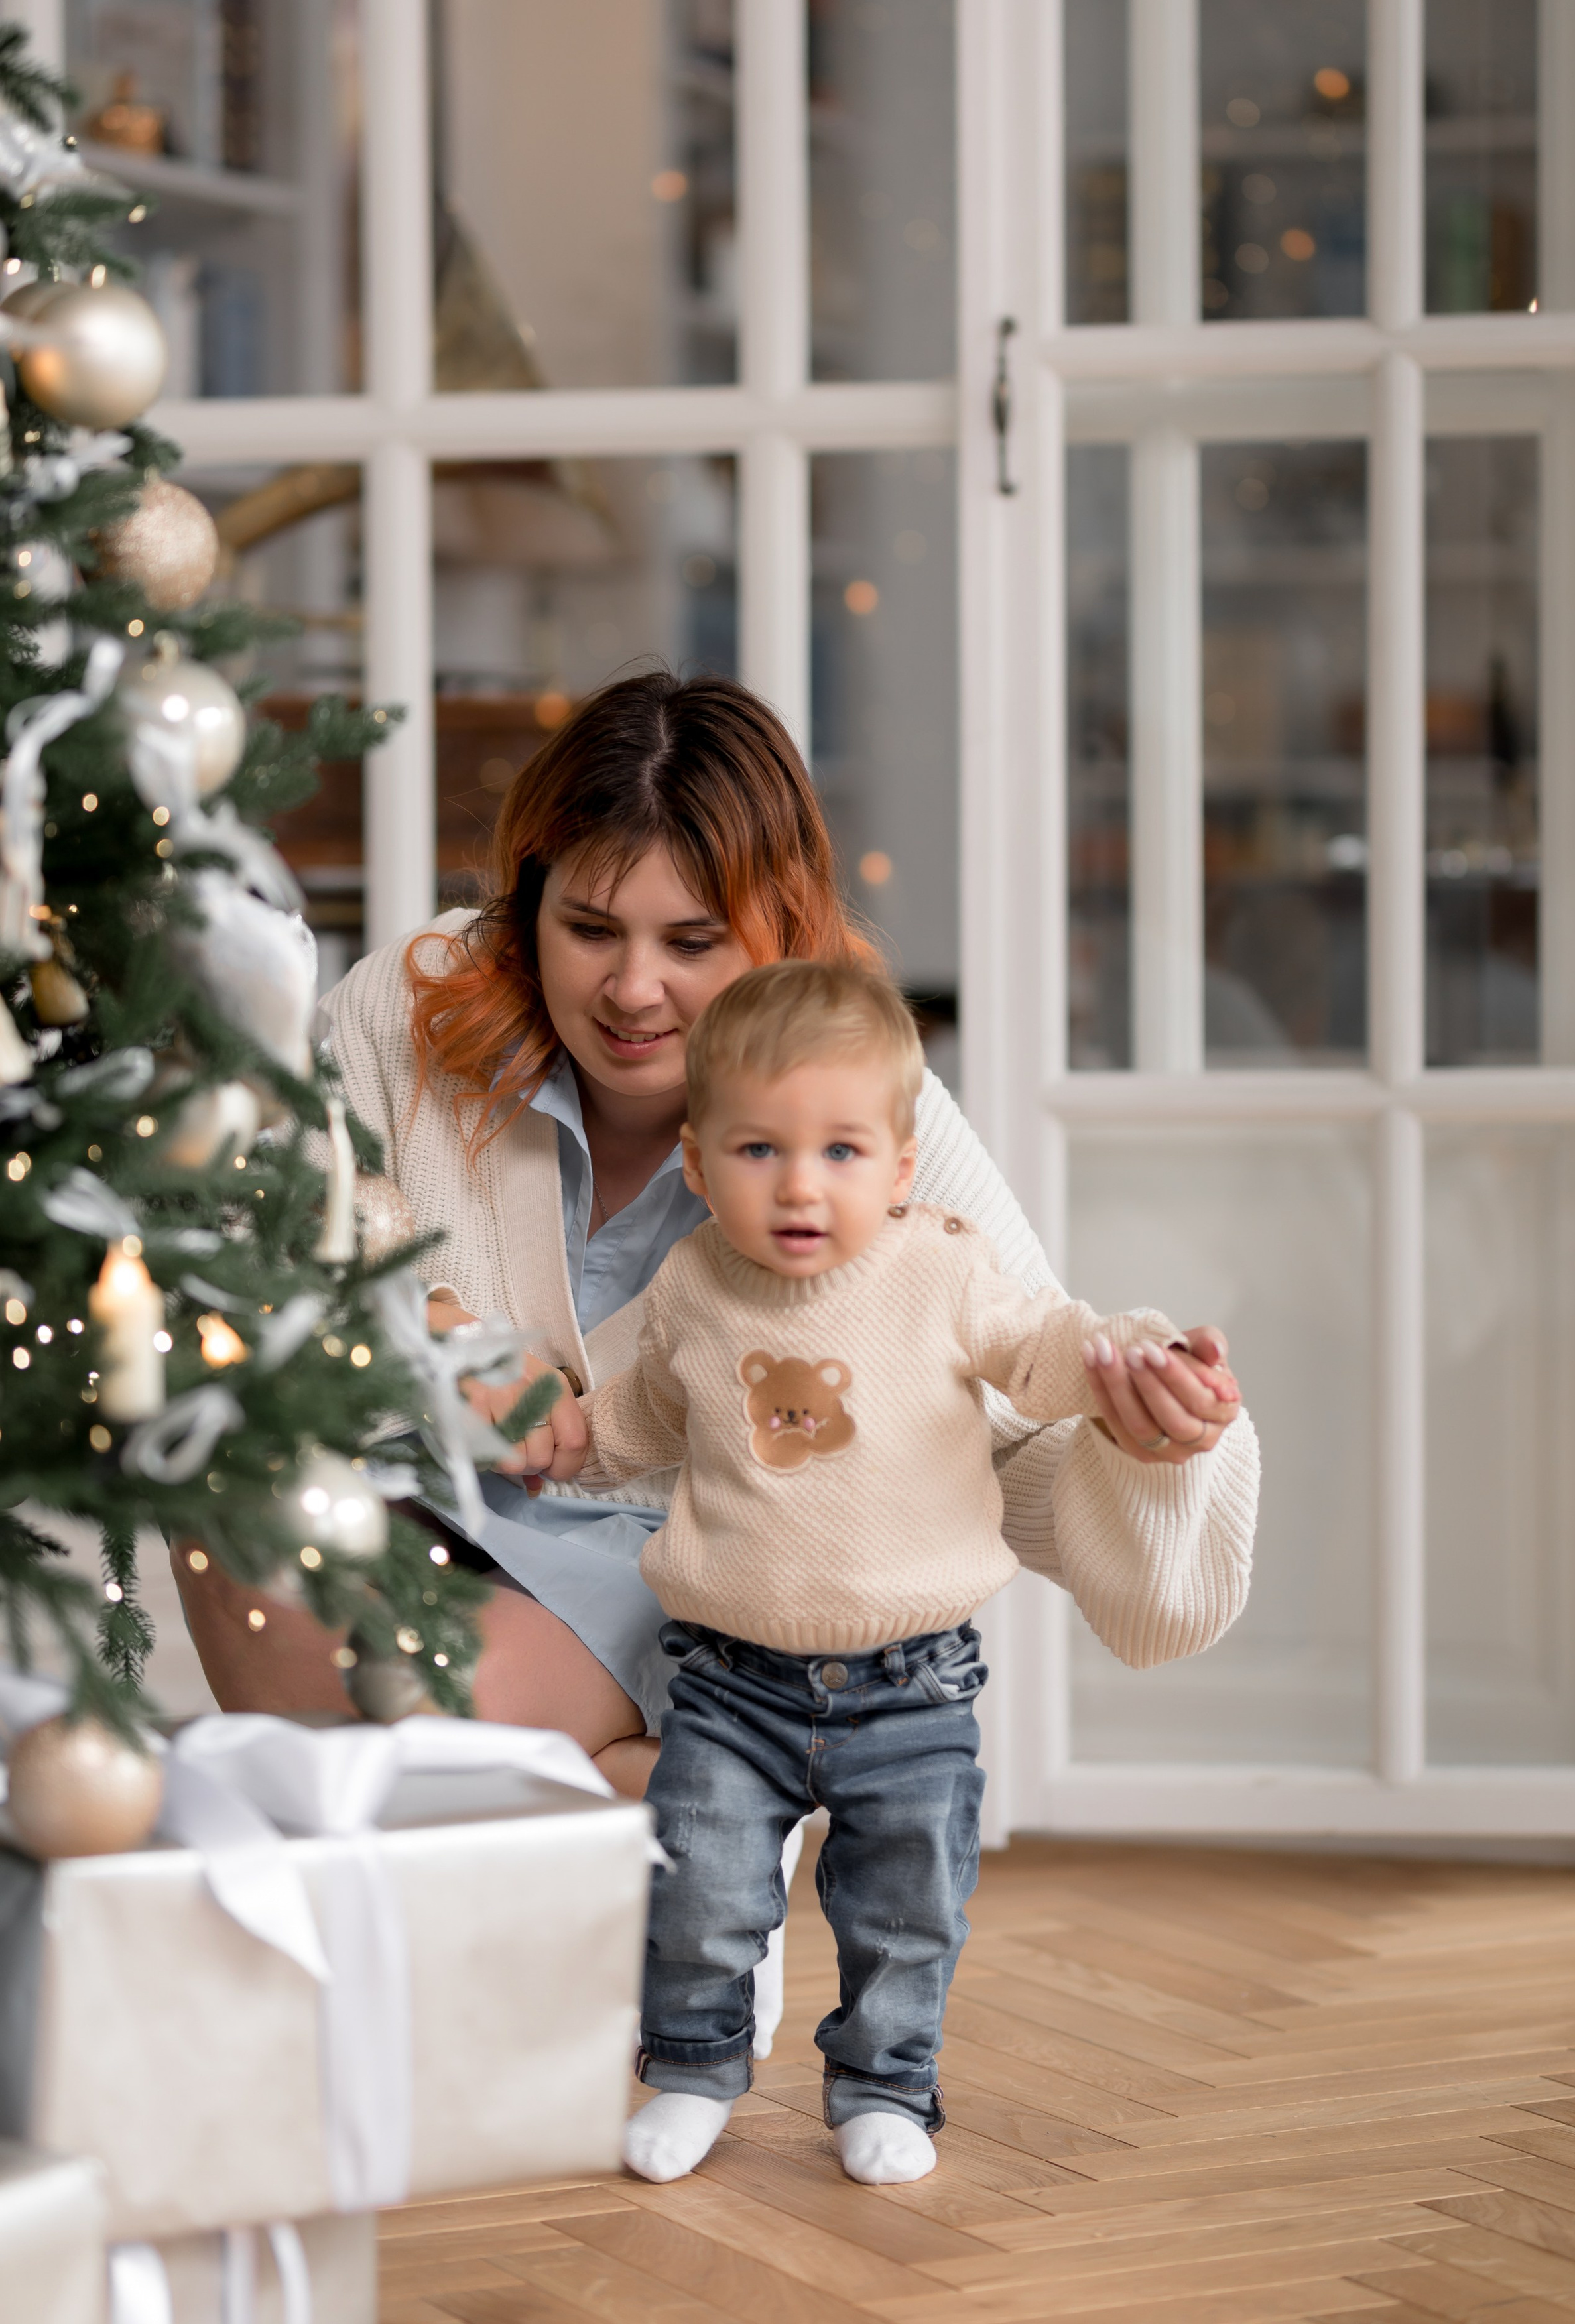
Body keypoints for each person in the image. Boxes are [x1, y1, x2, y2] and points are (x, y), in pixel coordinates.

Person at [170, 673, 1248, 2017]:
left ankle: (673, 1818)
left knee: (416, 1692)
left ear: (776, 925)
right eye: (587, 928)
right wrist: (434, 1340)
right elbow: (252, 1237)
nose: (633, 990)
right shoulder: (410, 1004)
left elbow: (1017, 1415)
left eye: (691, 940)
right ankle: (673, 1809)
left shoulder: (862, 1113)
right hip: (395, 1493)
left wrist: (1147, 1434)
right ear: (526, 902)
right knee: (230, 1541)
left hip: (681, 1557)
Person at [552, 961, 1256, 2189]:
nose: (800, 1184)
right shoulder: (695, 1287)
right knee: (701, 1889)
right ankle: (693, 2072)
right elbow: (649, 1415)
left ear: (900, 1167)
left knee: (904, 1909)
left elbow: (1046, 1349)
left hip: (911, 1684)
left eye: (840, 1151)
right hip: (729, 1681)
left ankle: (883, 2089)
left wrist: (1136, 1357)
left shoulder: (941, 1271)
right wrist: (564, 1438)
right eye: (759, 1150)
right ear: (698, 1165)